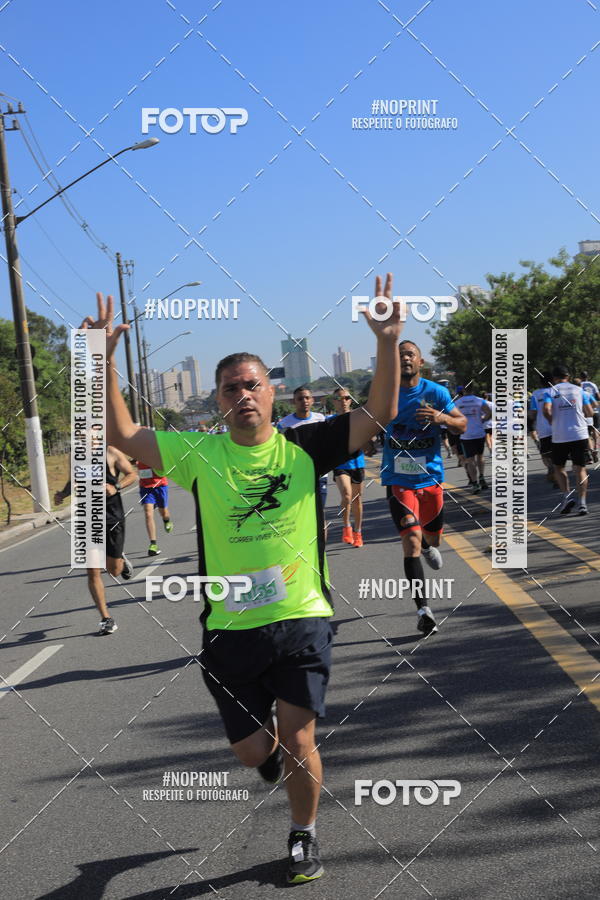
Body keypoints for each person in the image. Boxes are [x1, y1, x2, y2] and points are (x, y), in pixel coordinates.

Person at [84, 274, 403, 884]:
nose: (244, 395)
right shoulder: (199, 455)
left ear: (271, 392)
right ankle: (266, 754)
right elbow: (124, 435)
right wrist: (102, 360)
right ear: (220, 400)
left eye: (253, 384)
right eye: (231, 388)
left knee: (300, 737)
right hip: (230, 629)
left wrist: (386, 342)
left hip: (302, 618)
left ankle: (303, 833)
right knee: (255, 750)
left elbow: (379, 413)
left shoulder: (306, 446)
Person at [381, 340, 467, 637]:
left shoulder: (436, 393)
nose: (405, 358)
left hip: (431, 480)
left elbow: (462, 425)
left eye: (410, 354)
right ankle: (423, 611)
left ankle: (430, 546)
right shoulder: (385, 393)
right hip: (398, 480)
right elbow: (367, 421)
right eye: (400, 355)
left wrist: (441, 418)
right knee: (411, 541)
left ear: (420, 362)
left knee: (431, 538)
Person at [54, 446, 136, 634]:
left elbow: (132, 474)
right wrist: (63, 494)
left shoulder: (111, 452)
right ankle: (106, 618)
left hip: (112, 517)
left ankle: (121, 562)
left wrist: (115, 487)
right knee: (92, 571)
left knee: (114, 570)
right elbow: (73, 481)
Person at [543, 365, 595, 515]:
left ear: (554, 378)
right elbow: (589, 412)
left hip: (560, 436)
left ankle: (567, 496)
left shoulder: (550, 391)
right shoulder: (579, 390)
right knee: (580, 469)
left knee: (559, 468)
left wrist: (552, 421)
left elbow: (546, 409)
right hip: (579, 434)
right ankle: (583, 503)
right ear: (568, 376)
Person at [277, 386, 328, 521]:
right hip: (297, 476)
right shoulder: (284, 424)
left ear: (312, 400)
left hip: (320, 474)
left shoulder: (320, 419)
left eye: (307, 398)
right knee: (302, 514)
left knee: (319, 512)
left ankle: (322, 535)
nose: (304, 401)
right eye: (300, 399)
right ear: (293, 402)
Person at [329, 387, 367, 547]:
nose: (343, 401)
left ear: (350, 400)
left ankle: (358, 532)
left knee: (357, 500)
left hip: (357, 463)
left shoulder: (358, 417)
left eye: (346, 398)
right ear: (334, 402)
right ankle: (347, 527)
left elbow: (368, 435)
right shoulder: (330, 421)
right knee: (346, 495)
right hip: (340, 464)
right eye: (339, 398)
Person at [454, 385, 492, 493]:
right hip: (479, 433)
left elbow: (452, 416)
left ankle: (475, 483)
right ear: (473, 390)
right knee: (480, 456)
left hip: (466, 434)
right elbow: (489, 413)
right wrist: (482, 420)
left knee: (470, 459)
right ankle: (482, 477)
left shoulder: (458, 402)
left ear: (463, 391)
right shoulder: (479, 400)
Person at [136, 461, 173, 556]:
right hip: (145, 487)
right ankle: (153, 544)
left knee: (163, 511)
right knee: (148, 513)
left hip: (160, 485)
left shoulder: (155, 451)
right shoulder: (138, 452)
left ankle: (166, 520)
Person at [529, 372, 556, 487]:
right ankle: (558, 470)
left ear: (540, 382)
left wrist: (531, 418)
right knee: (558, 452)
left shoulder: (535, 394)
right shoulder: (556, 391)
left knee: (545, 453)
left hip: (543, 429)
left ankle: (550, 467)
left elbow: (532, 413)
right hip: (558, 427)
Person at [580, 371, 599, 461]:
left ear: (581, 377)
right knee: (595, 430)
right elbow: (598, 396)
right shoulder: (593, 384)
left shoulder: (579, 386)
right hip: (595, 411)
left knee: (587, 433)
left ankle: (590, 451)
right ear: (588, 376)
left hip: (585, 412)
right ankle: (595, 448)